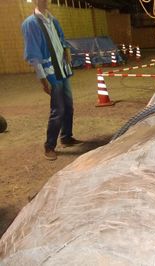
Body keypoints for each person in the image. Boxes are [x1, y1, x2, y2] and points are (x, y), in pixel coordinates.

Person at [21, 0, 81, 161]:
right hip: (51, 73)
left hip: (63, 70)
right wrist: (43, 80)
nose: (45, 1)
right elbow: (33, 54)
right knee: (58, 110)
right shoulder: (31, 24)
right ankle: (49, 146)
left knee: (69, 106)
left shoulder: (52, 20)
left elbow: (61, 39)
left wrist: (66, 50)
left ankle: (66, 137)